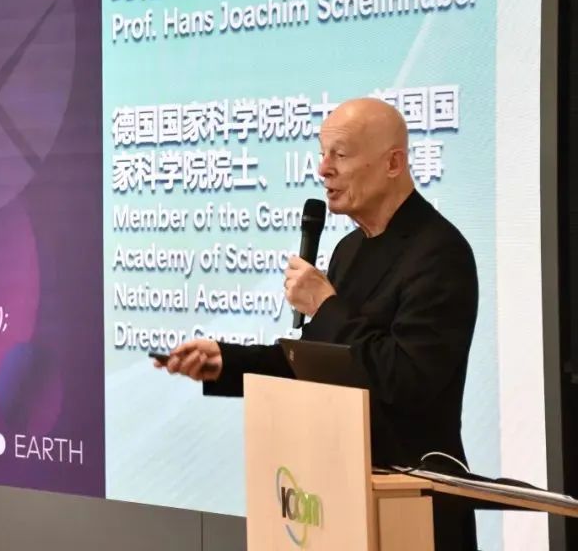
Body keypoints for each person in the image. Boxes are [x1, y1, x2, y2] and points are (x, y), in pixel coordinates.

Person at [158, 97, 479, 550]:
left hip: (413, 506)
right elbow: (317, 364)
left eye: (339, 155)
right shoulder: (350, 250)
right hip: (336, 497)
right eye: (322, 154)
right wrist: (226, 361)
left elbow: (406, 378)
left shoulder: (439, 253)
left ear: (393, 163)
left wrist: (326, 307)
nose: (323, 169)